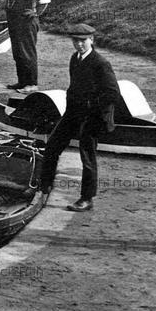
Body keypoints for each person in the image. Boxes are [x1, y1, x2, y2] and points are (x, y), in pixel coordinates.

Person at [40, 23, 120, 211]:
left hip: (93, 116)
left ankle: (87, 198)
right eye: (75, 41)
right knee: (52, 146)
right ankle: (44, 187)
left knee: (87, 155)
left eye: (83, 41)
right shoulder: (75, 59)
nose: (79, 44)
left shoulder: (101, 63)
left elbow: (112, 94)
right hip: (74, 112)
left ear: (91, 40)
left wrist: (92, 107)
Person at [5, 0, 51, 93]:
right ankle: (22, 81)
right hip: (15, 20)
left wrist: (35, 12)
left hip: (26, 21)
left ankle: (32, 84)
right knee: (18, 52)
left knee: (27, 52)